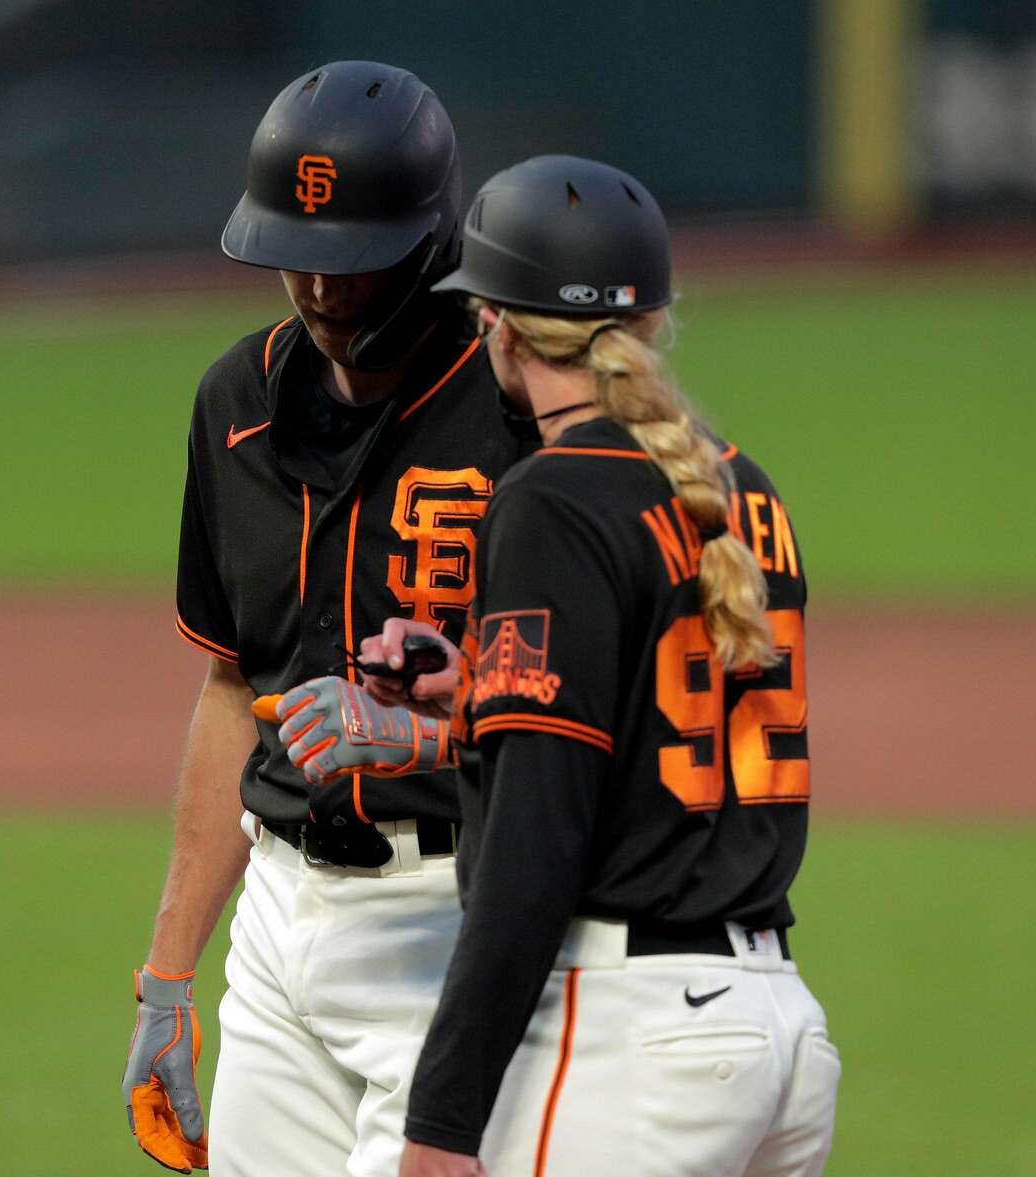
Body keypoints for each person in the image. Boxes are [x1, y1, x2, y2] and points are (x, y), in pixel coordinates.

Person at [276, 155, 840, 1176]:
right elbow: (648, 737)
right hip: (781, 1032)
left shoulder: (551, 497)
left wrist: (441, 1124)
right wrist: (481, 689)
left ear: (495, 319)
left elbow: (538, 840)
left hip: (630, 1037)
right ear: (655, 319)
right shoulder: (741, 488)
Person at [120, 62, 534, 1177]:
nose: (322, 289)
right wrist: (169, 975)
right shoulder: (235, 403)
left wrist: (426, 738)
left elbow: (588, 699)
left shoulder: (515, 413)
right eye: (297, 257)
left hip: (452, 919)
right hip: (278, 920)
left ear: (431, 241)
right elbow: (229, 690)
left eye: (353, 261)